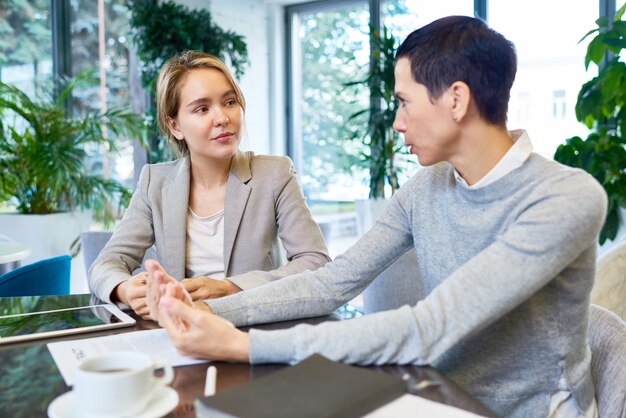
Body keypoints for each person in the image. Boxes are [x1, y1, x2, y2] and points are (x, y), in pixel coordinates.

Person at [146, 16, 607, 418]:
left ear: (456, 100)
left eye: (405, 102)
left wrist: (239, 345)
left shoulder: (565, 197)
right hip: (433, 395)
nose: (397, 123)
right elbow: (333, 281)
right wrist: (205, 310)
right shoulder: (425, 188)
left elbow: (430, 327)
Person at [88, 51, 331, 318]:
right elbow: (107, 263)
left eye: (229, 102)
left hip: (255, 329)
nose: (223, 118)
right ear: (174, 125)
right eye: (202, 109)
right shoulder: (154, 183)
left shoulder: (274, 174)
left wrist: (229, 288)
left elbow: (316, 262)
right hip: (181, 329)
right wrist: (124, 288)